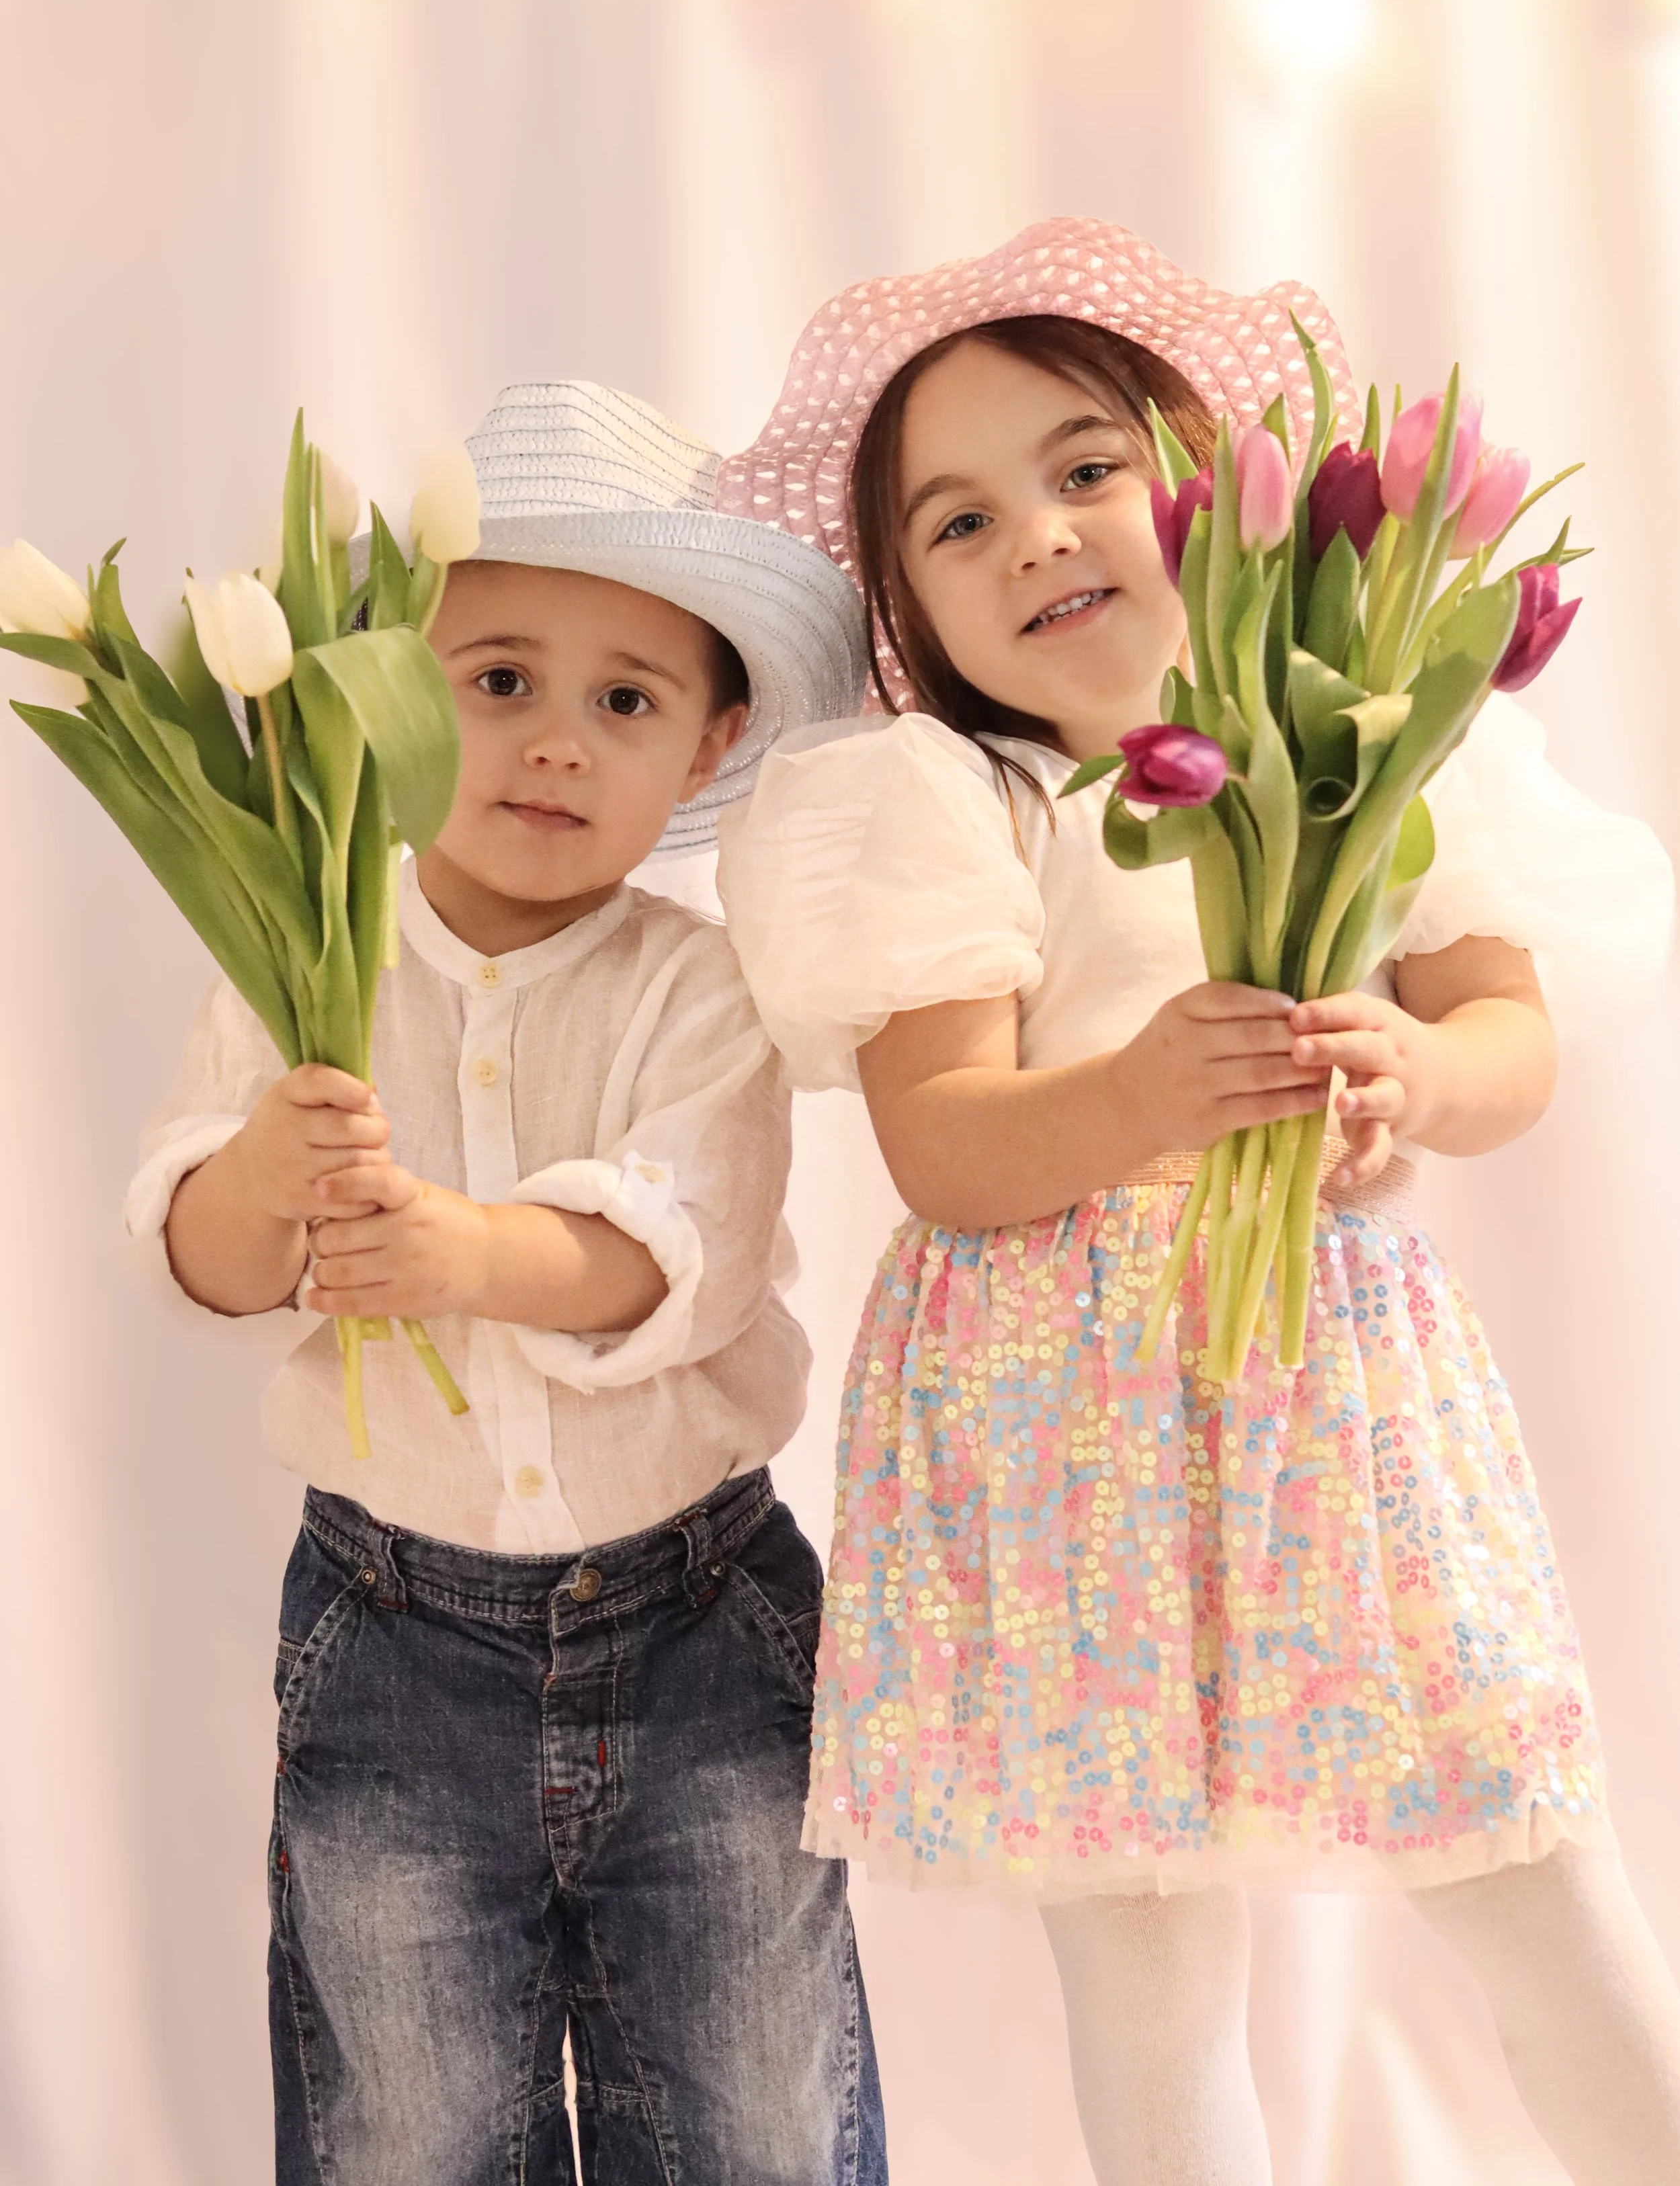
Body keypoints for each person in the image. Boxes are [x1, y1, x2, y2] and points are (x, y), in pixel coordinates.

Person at [714, 218, 1680, 2186]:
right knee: (1145, 1969)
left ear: (1222, 494)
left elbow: (1506, 1035)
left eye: (1085, 469)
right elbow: (944, 1145)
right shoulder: (954, 806)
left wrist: (1413, 1066)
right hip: (1063, 1432)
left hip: (1333, 1404)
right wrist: (1142, 1088)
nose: (1040, 538)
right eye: (956, 525)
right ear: (905, 612)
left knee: (1528, 1866)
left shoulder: (1352, 755)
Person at [126, 380, 886, 2186]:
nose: (555, 739)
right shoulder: (303, 955)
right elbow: (197, 1256)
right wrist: (262, 1180)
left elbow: (675, 1253)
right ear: (390, 705)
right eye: (495, 682)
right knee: (408, 2115)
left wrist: (468, 1253)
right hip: (394, 1640)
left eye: (623, 699)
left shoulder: (701, 986)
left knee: (754, 2109)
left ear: (706, 745)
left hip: (704, 1622)